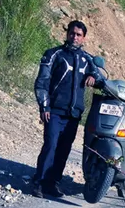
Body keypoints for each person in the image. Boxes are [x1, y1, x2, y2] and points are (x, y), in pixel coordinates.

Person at [30, 20, 104, 198]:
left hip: (74, 114)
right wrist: (44, 106)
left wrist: (94, 77)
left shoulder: (87, 59)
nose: (75, 37)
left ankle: (52, 183)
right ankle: (38, 182)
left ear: (84, 38)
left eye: (79, 35)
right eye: (72, 33)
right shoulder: (54, 54)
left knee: (64, 150)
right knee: (51, 145)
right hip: (54, 111)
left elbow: (101, 79)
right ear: (67, 34)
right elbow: (42, 83)